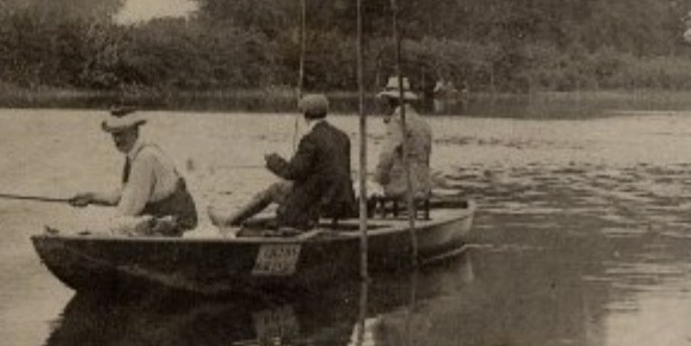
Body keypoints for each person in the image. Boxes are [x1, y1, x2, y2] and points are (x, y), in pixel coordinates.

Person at [209, 93, 358, 230]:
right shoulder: (342, 137)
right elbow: (323, 170)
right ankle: (232, 220)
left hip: (321, 201)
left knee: (274, 190)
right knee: (282, 188)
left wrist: (273, 161)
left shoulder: (311, 139)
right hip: (342, 199)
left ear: (305, 114)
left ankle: (229, 222)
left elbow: (293, 172)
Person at [71, 110, 198, 234]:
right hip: (173, 221)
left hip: (175, 225)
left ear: (135, 131)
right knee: (120, 223)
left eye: (121, 133)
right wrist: (91, 197)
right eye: (114, 134)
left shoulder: (144, 159)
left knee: (117, 222)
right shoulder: (139, 154)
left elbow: (128, 209)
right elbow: (127, 193)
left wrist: (108, 229)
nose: (117, 140)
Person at [374, 76, 433, 202]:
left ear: (391, 101)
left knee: (364, 190)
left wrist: (376, 182)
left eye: (387, 100)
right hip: (424, 186)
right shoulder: (422, 122)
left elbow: (386, 156)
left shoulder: (398, 121)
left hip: (404, 188)